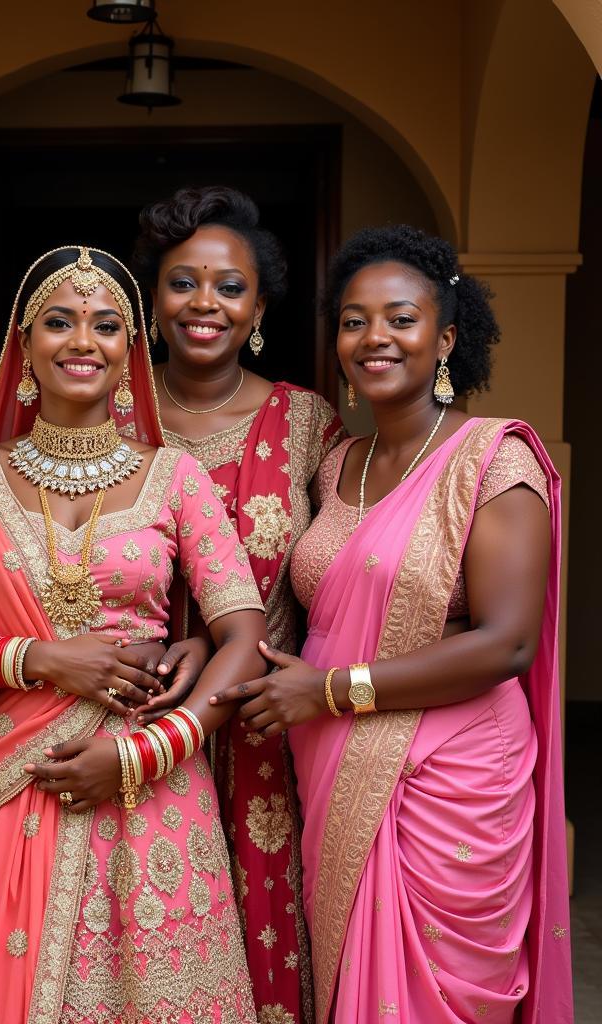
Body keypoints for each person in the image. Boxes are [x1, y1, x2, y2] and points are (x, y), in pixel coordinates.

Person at [0, 245, 271, 1023]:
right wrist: (38, 658)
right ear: (24, 346)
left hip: (156, 790)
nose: (82, 342)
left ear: (131, 349)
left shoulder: (175, 478)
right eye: (58, 322)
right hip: (13, 786)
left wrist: (144, 752)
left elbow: (246, 640)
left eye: (105, 326)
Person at [212, 225, 572, 1022]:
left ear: (445, 338)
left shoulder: (495, 460)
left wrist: (335, 691)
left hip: (450, 776)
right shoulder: (339, 462)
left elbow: (507, 642)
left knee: (430, 993)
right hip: (332, 763)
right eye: (353, 320)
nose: (374, 337)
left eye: (400, 319)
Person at [133, 185, 343, 1021]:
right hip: (130, 726)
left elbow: (344, 578)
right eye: (183, 282)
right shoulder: (102, 412)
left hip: (264, 742)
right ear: (152, 297)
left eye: (229, 286)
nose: (204, 304)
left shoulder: (308, 425)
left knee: (265, 954)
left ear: (258, 304)